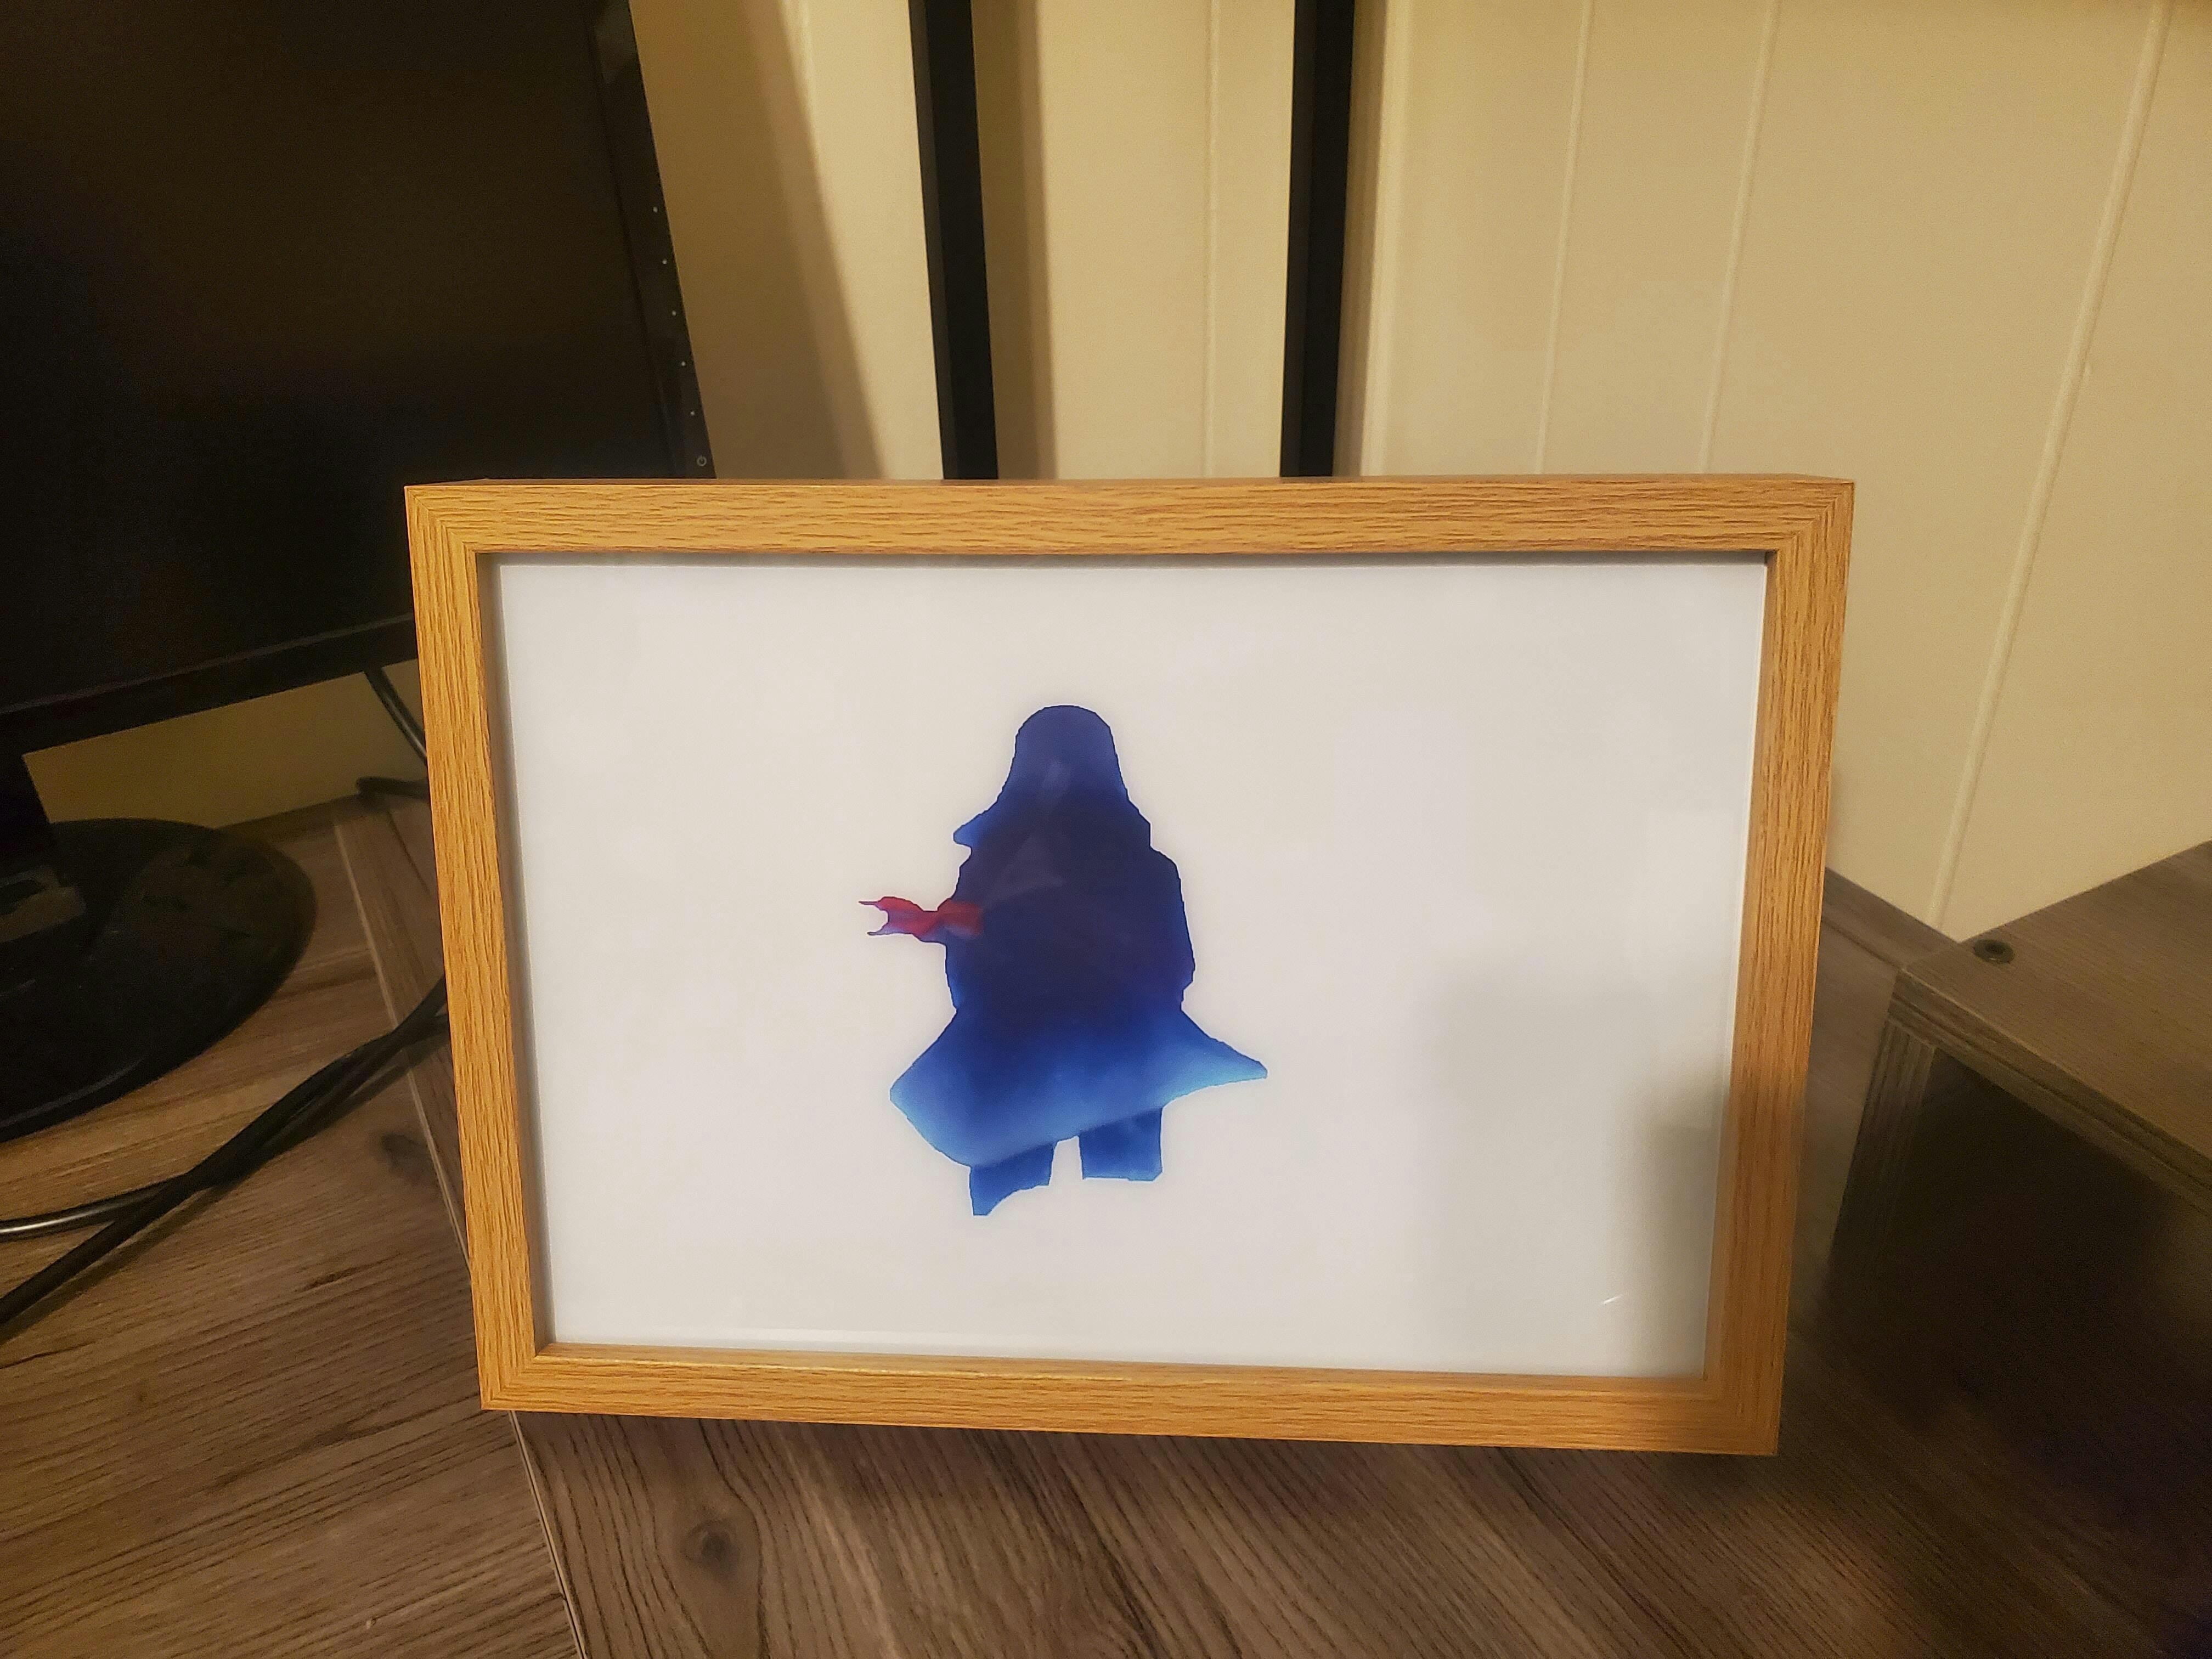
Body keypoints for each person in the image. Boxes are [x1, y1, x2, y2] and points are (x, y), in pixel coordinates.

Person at [866, 705, 1266, 1215]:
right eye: (1044, 760)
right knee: (1017, 1209)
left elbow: (1172, 964)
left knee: (1118, 1203)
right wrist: (976, 943)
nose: (1054, 774)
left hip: (1105, 1045)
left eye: (1066, 759)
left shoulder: (1135, 867)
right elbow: (967, 964)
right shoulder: (997, 862)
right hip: (1030, 1044)